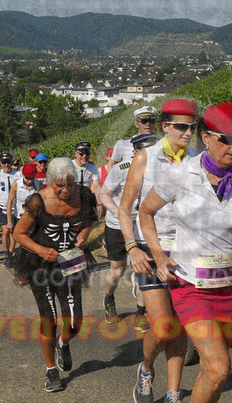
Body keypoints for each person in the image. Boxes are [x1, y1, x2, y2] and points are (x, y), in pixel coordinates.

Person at [139, 103, 232, 402]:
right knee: (219, 368)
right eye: (226, 139)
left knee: (212, 372)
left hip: (229, 286)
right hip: (190, 285)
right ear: (206, 138)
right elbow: (145, 212)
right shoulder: (180, 174)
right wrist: (159, 256)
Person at [118, 98, 198, 403]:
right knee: (164, 326)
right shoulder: (145, 158)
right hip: (149, 250)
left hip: (185, 250)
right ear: (165, 126)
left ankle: (173, 392)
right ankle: (147, 367)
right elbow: (125, 208)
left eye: (192, 127)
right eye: (181, 127)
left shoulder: (196, 160)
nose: (187, 133)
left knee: (180, 324)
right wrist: (131, 248)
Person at [13, 157, 97, 393]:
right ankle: (51, 370)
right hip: (41, 264)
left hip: (70, 261)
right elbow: (19, 233)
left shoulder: (84, 195)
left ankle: (63, 343)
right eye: (60, 185)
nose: (66, 190)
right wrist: (41, 250)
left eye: (70, 184)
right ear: (49, 182)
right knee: (48, 319)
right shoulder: (38, 201)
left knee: (75, 321)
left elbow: (92, 217)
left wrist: (84, 234)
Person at [99, 135, 157, 327]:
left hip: (142, 225)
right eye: (144, 151)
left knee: (144, 269)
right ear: (134, 152)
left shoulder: (160, 168)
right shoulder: (121, 168)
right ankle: (109, 297)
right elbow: (103, 194)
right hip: (117, 226)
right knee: (118, 270)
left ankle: (141, 312)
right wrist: (118, 212)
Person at [0, 152, 22, 266]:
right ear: (0, 163)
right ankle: (6, 253)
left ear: (12, 162)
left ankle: (11, 253)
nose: (6, 165)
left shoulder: (18, 174)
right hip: (2, 206)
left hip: (15, 207)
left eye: (8, 162)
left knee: (13, 231)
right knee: (6, 230)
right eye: (4, 162)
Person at [70, 141, 103, 217]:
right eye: (81, 154)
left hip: (87, 198)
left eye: (87, 154)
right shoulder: (69, 165)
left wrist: (100, 204)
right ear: (75, 154)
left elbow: (96, 186)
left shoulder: (92, 166)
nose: (84, 156)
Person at [6, 163, 39, 233]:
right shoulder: (16, 184)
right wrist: (9, 221)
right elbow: (9, 203)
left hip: (34, 218)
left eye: (32, 178)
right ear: (23, 175)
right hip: (20, 218)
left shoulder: (38, 184)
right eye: (27, 178)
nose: (30, 181)